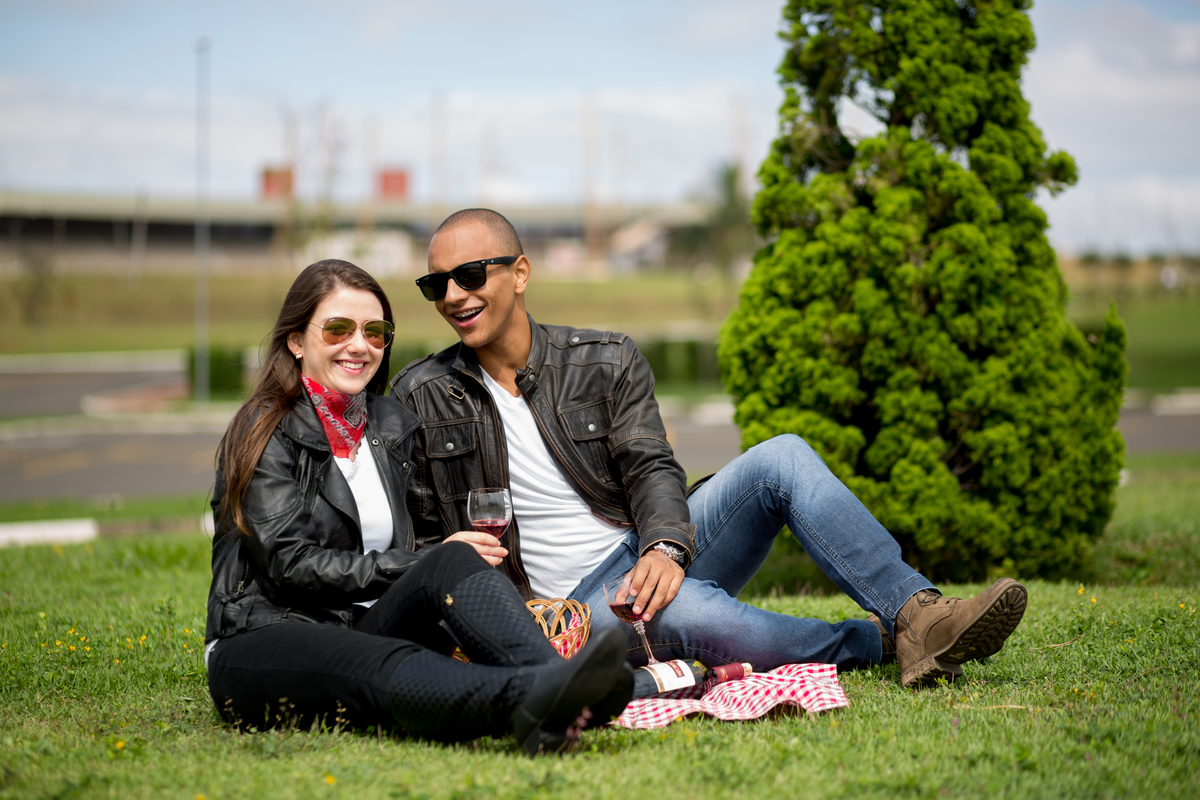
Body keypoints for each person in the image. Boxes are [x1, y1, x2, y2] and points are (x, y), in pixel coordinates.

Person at [391, 209, 1029, 689]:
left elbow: (651, 466)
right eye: (435, 284)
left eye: (469, 275)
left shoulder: (604, 359)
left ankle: (918, 613)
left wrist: (665, 546)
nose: (453, 296)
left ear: (520, 272)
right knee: (693, 613)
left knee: (782, 456)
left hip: (642, 546)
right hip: (566, 612)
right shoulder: (420, 394)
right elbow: (418, 539)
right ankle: (876, 644)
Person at [204, 259, 633, 754]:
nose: (360, 345)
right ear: (297, 341)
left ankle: (557, 683)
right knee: (379, 659)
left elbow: (423, 551)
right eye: (339, 329)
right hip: (267, 635)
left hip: (362, 625)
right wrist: (415, 562)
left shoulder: (389, 425)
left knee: (452, 558)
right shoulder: (263, 426)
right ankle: (535, 696)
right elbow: (290, 563)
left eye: (375, 332)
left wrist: (445, 558)